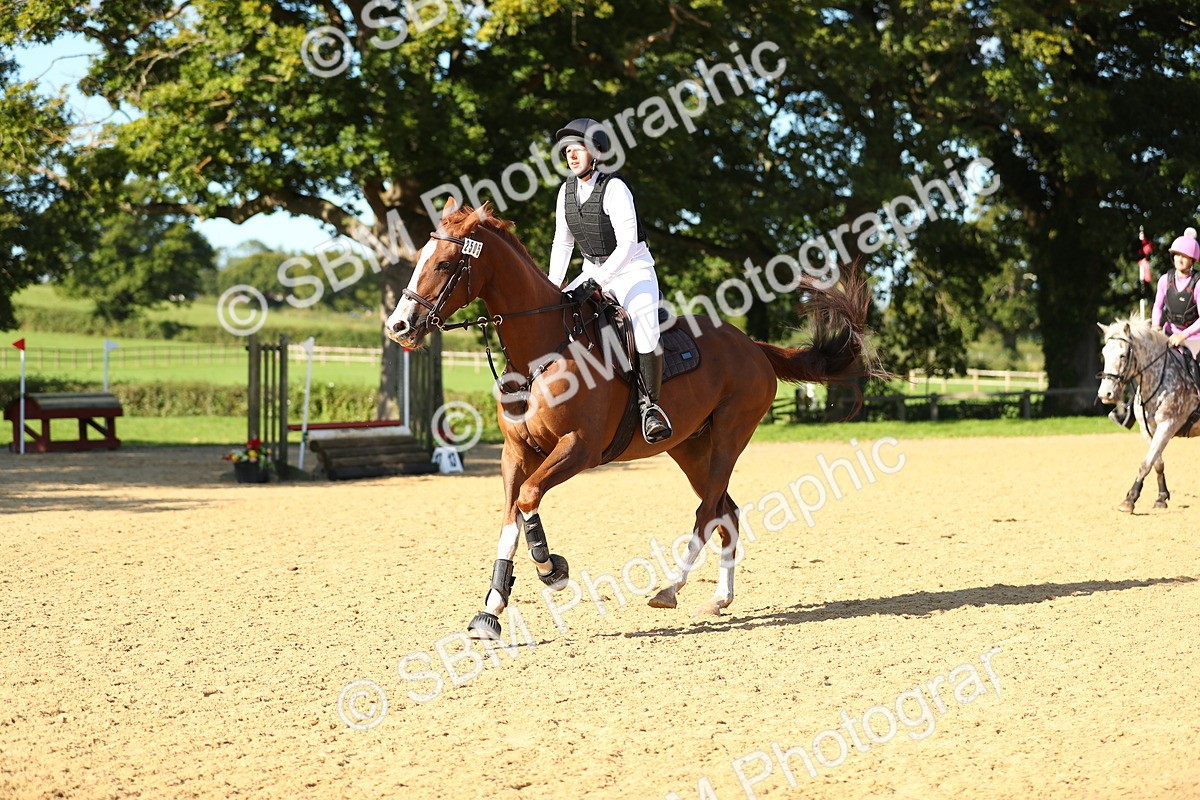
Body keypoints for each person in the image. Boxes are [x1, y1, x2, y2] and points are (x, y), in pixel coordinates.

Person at [548, 117, 672, 444]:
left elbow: (627, 244)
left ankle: (650, 408)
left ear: (596, 152)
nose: (572, 155)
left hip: (633, 269)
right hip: (592, 269)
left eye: (580, 149)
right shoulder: (566, 192)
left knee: (644, 330)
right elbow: (563, 243)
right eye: (568, 150)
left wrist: (597, 281)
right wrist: (552, 286)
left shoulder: (615, 188)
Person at [1152, 226, 1200, 381]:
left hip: (1194, 338)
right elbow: (1158, 306)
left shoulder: (1198, 284)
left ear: (1192, 260)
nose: (1179, 259)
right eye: (1177, 255)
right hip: (1169, 333)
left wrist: (1182, 335)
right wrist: (1155, 327)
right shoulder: (1164, 280)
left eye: (1184, 256)